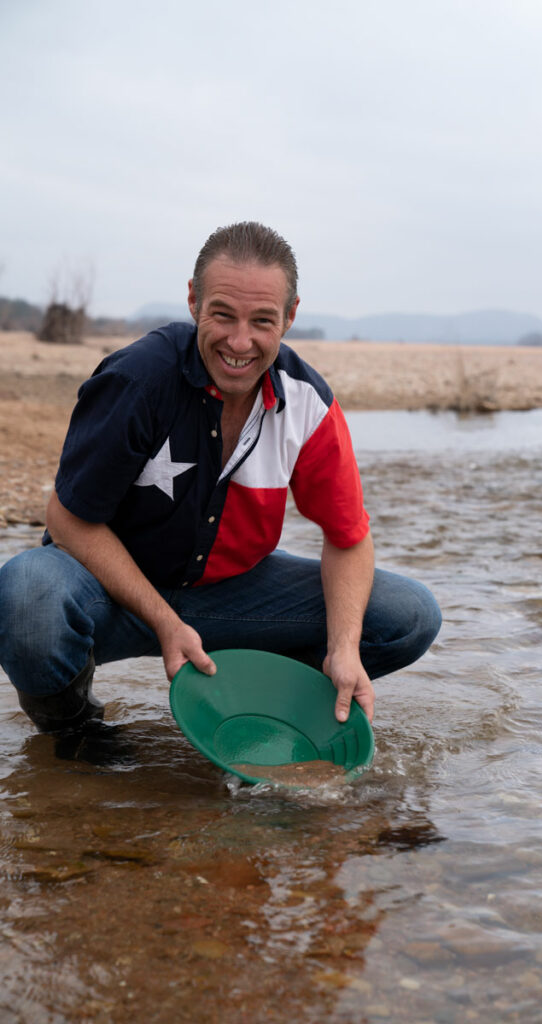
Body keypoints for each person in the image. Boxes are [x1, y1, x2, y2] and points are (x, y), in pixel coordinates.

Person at [0, 222, 441, 738]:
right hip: (107, 593)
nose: (240, 341)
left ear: (291, 315)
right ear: (193, 301)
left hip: (233, 596)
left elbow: (348, 540)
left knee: (409, 614)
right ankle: (78, 739)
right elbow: (68, 520)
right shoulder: (137, 380)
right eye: (223, 315)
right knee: (27, 594)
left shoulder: (309, 405)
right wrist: (165, 622)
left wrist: (344, 650)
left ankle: (257, 707)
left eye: (262, 321)